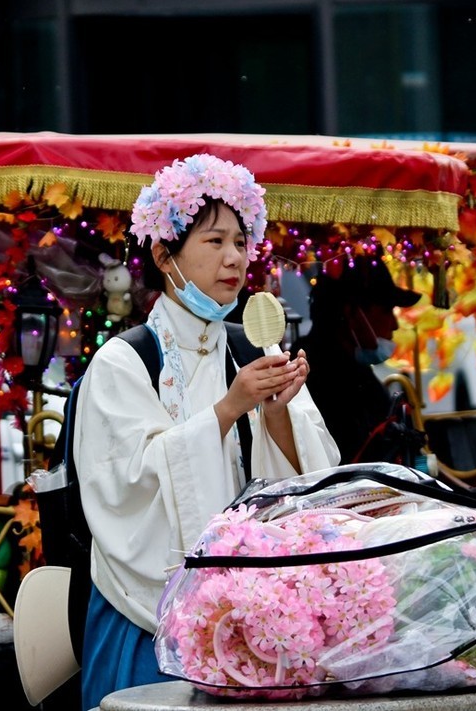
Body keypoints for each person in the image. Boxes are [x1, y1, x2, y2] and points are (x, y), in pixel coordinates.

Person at [73, 153, 340, 710]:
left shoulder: (254, 347)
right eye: (214, 242)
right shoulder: (124, 362)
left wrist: (273, 412)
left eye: (241, 243)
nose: (234, 258)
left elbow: (314, 481)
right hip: (146, 620)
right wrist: (227, 408)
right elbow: (124, 488)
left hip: (261, 616)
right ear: (164, 254)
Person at [291, 256, 421, 462]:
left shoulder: (356, 370)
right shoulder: (312, 373)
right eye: (387, 311)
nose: (395, 324)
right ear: (352, 313)